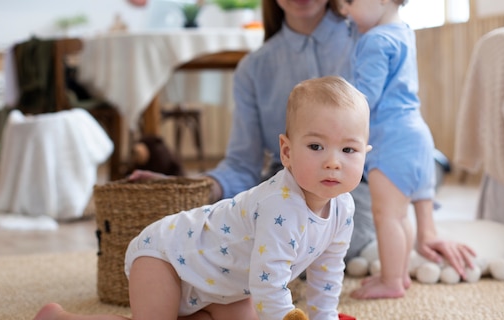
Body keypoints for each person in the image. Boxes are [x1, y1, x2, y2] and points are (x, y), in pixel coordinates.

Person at [10, 75, 372, 320]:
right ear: (287, 151)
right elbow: (269, 284)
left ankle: (167, 317)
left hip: (213, 279)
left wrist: (323, 319)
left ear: (364, 153)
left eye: (348, 149)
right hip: (165, 255)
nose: (333, 161)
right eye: (315, 146)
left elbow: (329, 264)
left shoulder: (343, 205)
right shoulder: (281, 204)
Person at [130, 0, 378, 262]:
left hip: (359, 185)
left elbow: (398, 134)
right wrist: (191, 188)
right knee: (222, 242)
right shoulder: (254, 67)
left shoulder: (369, 43)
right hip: (282, 187)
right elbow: (241, 165)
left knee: (322, 235)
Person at [343, 0, 475, 299]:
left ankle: (391, 280)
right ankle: (398, 275)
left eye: (349, 2)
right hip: (415, 134)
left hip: (392, 140)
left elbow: (366, 97)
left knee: (386, 214)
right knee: (400, 214)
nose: (345, 11)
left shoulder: (374, 40)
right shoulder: (402, 31)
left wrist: (338, 102)